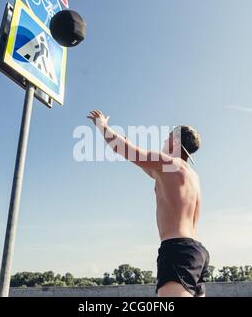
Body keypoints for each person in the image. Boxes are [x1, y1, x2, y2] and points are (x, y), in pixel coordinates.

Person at [87, 110, 210, 297]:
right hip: (197, 253)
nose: (164, 142)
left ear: (175, 142)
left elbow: (122, 149)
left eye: (167, 138)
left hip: (177, 250)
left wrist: (102, 125)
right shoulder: (191, 175)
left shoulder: (168, 163)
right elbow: (141, 163)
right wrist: (126, 144)